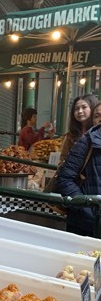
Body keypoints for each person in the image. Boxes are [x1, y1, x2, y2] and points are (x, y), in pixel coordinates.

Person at [57, 101, 101, 236]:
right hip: (86, 225)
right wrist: (89, 210)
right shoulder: (88, 140)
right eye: (97, 116)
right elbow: (64, 179)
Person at [59, 94, 98, 163]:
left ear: (93, 108)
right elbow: (63, 158)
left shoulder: (98, 133)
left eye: (84, 107)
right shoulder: (70, 136)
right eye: (77, 108)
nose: (80, 111)